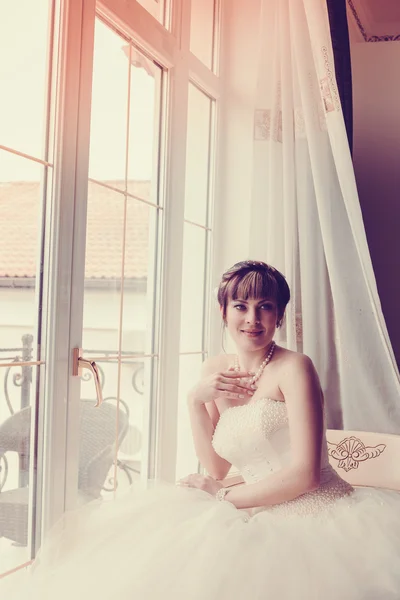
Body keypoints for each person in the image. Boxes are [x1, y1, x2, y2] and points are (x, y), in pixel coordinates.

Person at [3, 260, 400, 600]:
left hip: (316, 513)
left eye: (265, 307)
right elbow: (215, 466)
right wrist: (195, 400)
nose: (253, 318)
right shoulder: (214, 369)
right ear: (224, 312)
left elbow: (307, 475)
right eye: (240, 305)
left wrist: (223, 496)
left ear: (279, 315)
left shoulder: (295, 367)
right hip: (251, 504)